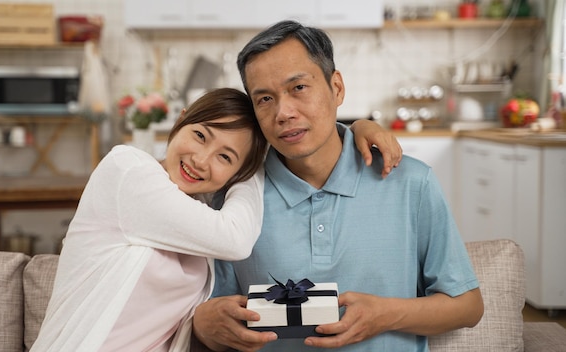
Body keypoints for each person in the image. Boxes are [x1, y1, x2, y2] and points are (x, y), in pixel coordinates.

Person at [31, 88, 401, 352]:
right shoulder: (127, 170)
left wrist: (351, 131)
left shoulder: (204, 213)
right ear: (179, 123)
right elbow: (236, 239)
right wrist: (252, 163)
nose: (201, 160)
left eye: (226, 158)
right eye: (200, 135)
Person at [191, 21, 484, 352]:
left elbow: (469, 306)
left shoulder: (410, 183)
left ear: (337, 88)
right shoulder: (234, 199)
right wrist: (201, 323)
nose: (283, 112)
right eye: (265, 99)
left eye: (299, 88)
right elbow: (209, 309)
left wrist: (387, 315)